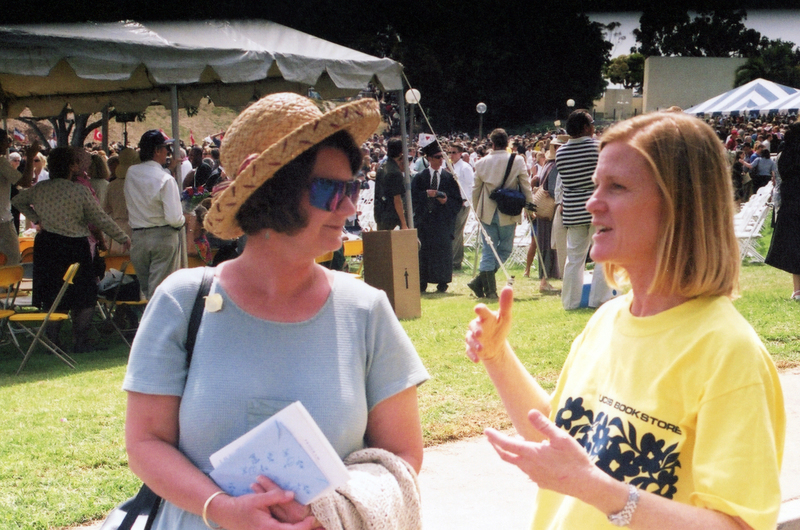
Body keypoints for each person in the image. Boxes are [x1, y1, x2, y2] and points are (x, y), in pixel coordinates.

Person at [465, 111, 784, 530]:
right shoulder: (608, 319)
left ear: (679, 206)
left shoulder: (730, 354)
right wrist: (497, 356)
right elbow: (559, 439)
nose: (592, 202)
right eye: (596, 184)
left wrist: (601, 491)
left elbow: (738, 525)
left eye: (616, 187)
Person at [123, 93, 429, 530]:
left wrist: (329, 515)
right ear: (272, 191)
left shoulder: (366, 310)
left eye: (353, 188)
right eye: (330, 190)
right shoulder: (181, 300)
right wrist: (222, 509)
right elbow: (146, 442)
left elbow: (401, 456)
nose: (348, 207)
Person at [13, 146, 130, 352]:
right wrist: (122, 237)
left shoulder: (40, 188)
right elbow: (100, 218)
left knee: (52, 294)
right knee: (84, 294)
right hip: (74, 245)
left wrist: (36, 219)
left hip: (48, 244)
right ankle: (80, 340)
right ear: (71, 166)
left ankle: (53, 340)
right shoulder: (79, 190)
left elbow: (17, 200)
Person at [556, 109, 612, 310]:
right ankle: (598, 299)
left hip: (573, 208)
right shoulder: (598, 147)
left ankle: (570, 301)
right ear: (586, 127)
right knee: (602, 254)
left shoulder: (560, 152)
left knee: (574, 258)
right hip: (598, 206)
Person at [468, 128, 532, 299]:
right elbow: (525, 185)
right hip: (508, 211)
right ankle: (487, 288)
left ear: (492, 143)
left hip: (487, 211)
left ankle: (483, 284)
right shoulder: (517, 160)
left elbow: (475, 190)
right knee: (505, 249)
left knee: (489, 250)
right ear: (507, 142)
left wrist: (476, 211)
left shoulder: (481, 163)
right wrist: (530, 206)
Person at [124, 130, 185, 299]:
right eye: (166, 148)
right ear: (157, 151)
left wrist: (168, 169)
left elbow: (149, 179)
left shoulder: (131, 172)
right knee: (161, 294)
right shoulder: (166, 180)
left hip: (138, 238)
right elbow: (174, 218)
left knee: (148, 291)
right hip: (163, 237)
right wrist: (183, 220)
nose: (168, 152)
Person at [411, 140, 461, 292]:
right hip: (424, 220)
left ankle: (442, 281)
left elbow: (457, 201)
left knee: (442, 252)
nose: (441, 160)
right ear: (429, 158)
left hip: (442, 221)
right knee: (424, 252)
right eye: (437, 157)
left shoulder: (449, 177)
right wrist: (426, 194)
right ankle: (422, 281)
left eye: (442, 157)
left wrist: (446, 201)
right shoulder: (420, 177)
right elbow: (412, 198)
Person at [765, 121, 800, 301]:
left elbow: (780, 178)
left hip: (791, 203)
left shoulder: (783, 155)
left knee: (795, 247)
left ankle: (797, 290)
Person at [0, 130, 38, 265]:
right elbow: (25, 182)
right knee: (12, 260)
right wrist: (30, 157)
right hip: (2, 220)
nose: (8, 144)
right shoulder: (1, 163)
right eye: (6, 141)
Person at [104, 147, 139, 256]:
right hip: (136, 229)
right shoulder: (139, 185)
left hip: (117, 230)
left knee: (117, 263)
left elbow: (106, 209)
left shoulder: (112, 185)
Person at [448, 143, 475, 270]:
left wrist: (466, 201)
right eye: (450, 152)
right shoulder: (451, 167)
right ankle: (455, 259)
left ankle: (455, 261)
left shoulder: (465, 167)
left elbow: (471, 186)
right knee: (454, 232)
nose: (451, 155)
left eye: (454, 152)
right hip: (453, 203)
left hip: (463, 203)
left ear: (460, 154)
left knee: (456, 231)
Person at [373, 137, 409, 230]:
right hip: (392, 217)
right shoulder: (394, 172)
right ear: (401, 152)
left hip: (380, 213)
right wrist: (403, 223)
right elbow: (397, 199)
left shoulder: (382, 166)